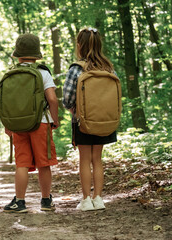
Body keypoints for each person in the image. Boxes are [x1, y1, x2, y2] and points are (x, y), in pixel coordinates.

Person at [63, 27, 118, 211]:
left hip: (82, 121)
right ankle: (99, 198)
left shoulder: (76, 69)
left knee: (84, 160)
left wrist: (73, 109)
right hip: (105, 120)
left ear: (79, 46)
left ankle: (86, 200)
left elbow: (67, 98)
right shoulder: (109, 68)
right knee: (98, 159)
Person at [3, 33, 59, 213]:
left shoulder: (10, 74)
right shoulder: (42, 72)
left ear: (18, 55)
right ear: (36, 54)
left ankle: (19, 201)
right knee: (44, 163)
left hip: (18, 125)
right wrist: (54, 119)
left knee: (22, 164)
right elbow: (52, 99)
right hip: (40, 123)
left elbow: (7, 103)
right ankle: (46, 200)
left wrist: (8, 124)